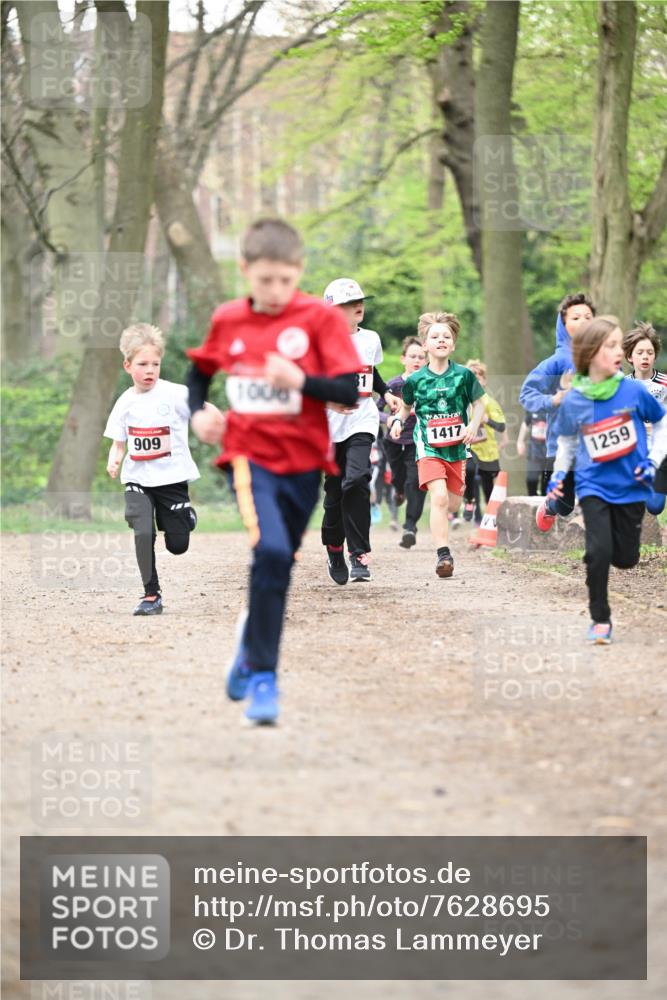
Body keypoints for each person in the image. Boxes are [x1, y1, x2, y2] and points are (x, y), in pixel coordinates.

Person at [185, 219, 361, 723]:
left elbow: (350, 390)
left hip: (307, 460)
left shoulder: (318, 320)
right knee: (272, 548)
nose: (276, 291)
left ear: (299, 272)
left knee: (279, 564)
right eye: (265, 281)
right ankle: (265, 677)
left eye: (286, 280)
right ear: (245, 271)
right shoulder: (229, 320)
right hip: (249, 455)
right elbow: (198, 374)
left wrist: (302, 380)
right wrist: (199, 413)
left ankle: (248, 650)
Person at [546, 315, 667, 644]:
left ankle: (610, 553)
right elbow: (568, 443)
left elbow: (661, 423)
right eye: (611, 345)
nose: (619, 351)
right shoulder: (574, 399)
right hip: (593, 484)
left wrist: (653, 461)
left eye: (618, 344)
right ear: (590, 352)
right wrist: (559, 475)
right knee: (598, 552)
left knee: (626, 559)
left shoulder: (633, 390)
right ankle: (600, 618)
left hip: (632, 485)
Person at [104, 323, 201, 616]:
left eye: (155, 364)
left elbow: (204, 410)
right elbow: (119, 442)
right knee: (142, 528)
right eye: (142, 364)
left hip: (171, 479)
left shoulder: (175, 394)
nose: (150, 370)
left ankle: (184, 517)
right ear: (127, 365)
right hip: (138, 478)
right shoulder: (125, 403)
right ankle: (151, 594)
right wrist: (115, 459)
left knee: (178, 545)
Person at [390, 312, 485, 578]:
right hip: (428, 448)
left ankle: (451, 514)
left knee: (452, 504)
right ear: (425, 345)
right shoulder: (414, 380)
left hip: (456, 448)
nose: (441, 340)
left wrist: (473, 425)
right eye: (435, 336)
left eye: (446, 336)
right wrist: (397, 421)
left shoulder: (464, 376)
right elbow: (406, 409)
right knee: (439, 497)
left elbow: (478, 404)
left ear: (453, 344)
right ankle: (443, 554)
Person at [320, 278, 401, 584]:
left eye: (359, 303)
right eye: (346, 305)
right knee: (334, 493)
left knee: (356, 480)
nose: (357, 307)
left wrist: (387, 393)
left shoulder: (371, 339)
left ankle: (359, 553)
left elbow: (370, 370)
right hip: (328, 425)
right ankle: (334, 547)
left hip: (362, 419)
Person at [520, 293, 595, 531]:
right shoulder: (556, 362)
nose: (583, 321)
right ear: (564, 324)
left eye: (588, 317)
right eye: (576, 317)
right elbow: (526, 395)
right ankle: (551, 505)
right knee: (565, 505)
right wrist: (554, 399)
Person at [381, 336, 427, 548]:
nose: (417, 360)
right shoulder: (394, 384)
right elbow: (374, 409)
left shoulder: (428, 384)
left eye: (421, 357)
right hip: (393, 440)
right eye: (412, 356)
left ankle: (410, 526)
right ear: (403, 359)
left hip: (418, 441)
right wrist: (389, 419)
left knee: (415, 481)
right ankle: (397, 490)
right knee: (398, 478)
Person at [623, 321, 667, 515]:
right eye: (640, 352)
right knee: (650, 505)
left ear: (655, 356)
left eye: (649, 352)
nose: (645, 357)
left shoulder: (665, 384)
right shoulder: (621, 386)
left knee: (655, 506)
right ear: (629, 357)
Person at [462, 359, 506, 523]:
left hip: (488, 450)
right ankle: (469, 501)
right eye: (470, 377)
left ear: (484, 380)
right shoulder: (461, 400)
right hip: (469, 446)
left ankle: (492, 520)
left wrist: (486, 419)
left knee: (488, 488)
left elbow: (501, 426)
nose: (475, 380)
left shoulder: (489, 402)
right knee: (470, 470)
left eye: (478, 377)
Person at [516, 408, 549, 496]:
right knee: (531, 479)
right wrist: (520, 441)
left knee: (546, 483)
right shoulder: (533, 405)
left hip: (550, 452)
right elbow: (526, 422)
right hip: (535, 451)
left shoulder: (557, 405)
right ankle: (532, 499)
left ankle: (545, 504)